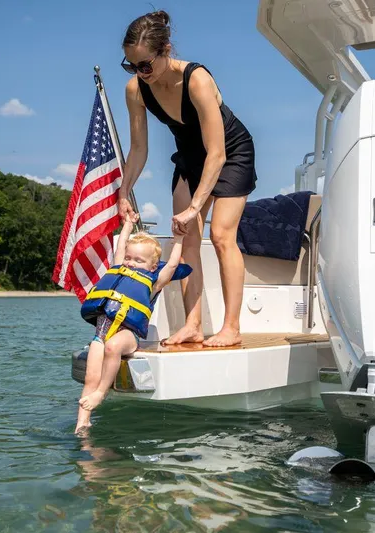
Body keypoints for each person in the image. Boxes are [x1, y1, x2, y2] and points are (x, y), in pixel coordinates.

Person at [116, 10, 257, 348]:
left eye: (145, 65)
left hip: (230, 153)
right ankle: (193, 325)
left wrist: (195, 206)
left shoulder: (196, 79)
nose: (139, 73)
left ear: (166, 50)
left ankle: (231, 328)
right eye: (131, 66)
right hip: (190, 160)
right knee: (186, 240)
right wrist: (124, 192)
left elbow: (218, 153)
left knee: (221, 235)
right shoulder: (136, 89)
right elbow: (138, 149)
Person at [75, 214, 188, 433]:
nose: (131, 263)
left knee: (112, 347)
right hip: (101, 332)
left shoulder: (154, 282)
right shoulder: (120, 268)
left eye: (139, 261)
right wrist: (127, 224)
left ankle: (101, 393)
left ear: (153, 266)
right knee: (90, 375)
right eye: (129, 258)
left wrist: (179, 239)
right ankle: (82, 422)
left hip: (127, 335)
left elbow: (173, 265)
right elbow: (119, 250)